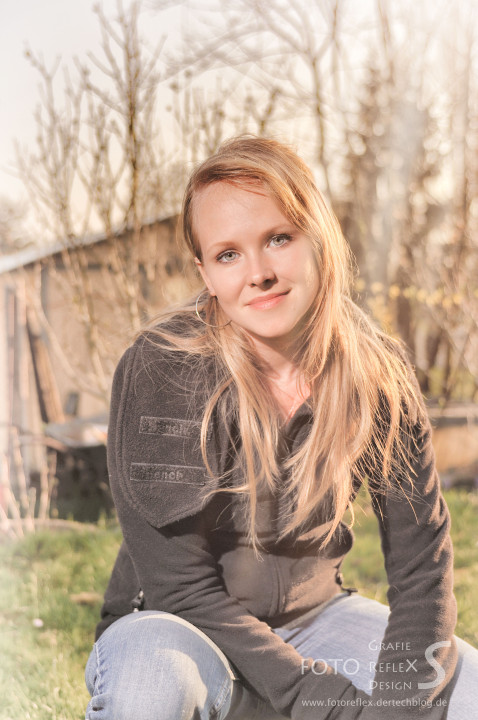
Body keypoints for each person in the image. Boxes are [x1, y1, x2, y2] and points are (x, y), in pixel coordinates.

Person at [85, 136, 478, 720]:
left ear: (318, 236)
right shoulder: (163, 367)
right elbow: (179, 586)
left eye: (278, 238)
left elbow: (421, 569)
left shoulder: (377, 376)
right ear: (204, 271)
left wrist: (399, 707)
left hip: (317, 622)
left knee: (464, 691)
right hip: (178, 629)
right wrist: (318, 700)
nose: (259, 274)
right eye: (228, 254)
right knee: (150, 686)